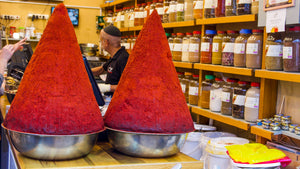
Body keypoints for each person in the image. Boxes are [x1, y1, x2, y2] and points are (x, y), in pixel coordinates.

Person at [92, 25, 129, 96]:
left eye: (100, 41)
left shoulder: (124, 59)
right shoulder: (115, 56)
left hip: (117, 101)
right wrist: (84, 72)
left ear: (106, 43)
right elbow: (101, 70)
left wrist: (107, 88)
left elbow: (127, 86)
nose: (100, 44)